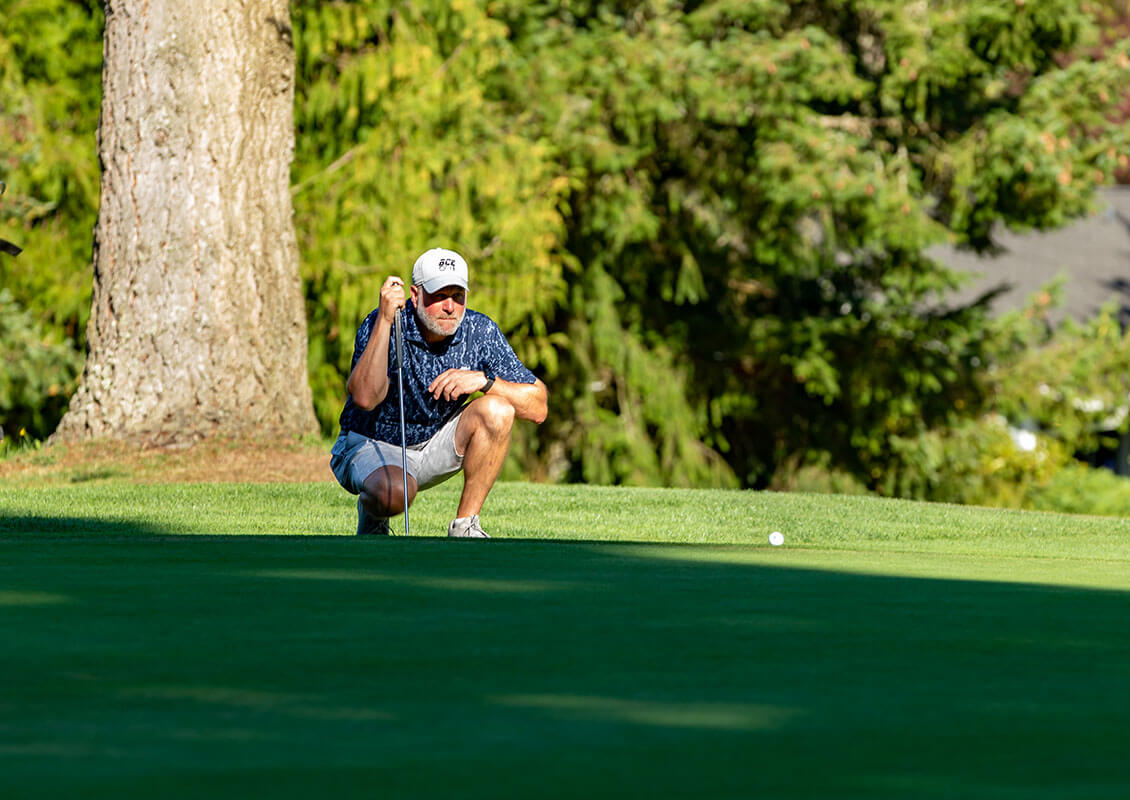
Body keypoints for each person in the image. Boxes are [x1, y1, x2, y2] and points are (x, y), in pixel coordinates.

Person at [330, 247, 548, 537]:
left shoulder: (479, 330)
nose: (450, 307)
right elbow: (365, 398)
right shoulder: (384, 321)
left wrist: (484, 381)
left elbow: (538, 406)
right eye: (439, 296)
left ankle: (465, 527)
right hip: (370, 445)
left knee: (499, 409)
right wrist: (384, 321)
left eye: (458, 296)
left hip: (434, 445)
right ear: (415, 295)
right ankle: (374, 515)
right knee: (395, 492)